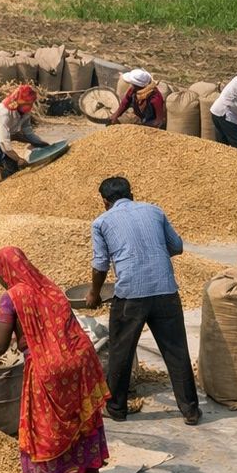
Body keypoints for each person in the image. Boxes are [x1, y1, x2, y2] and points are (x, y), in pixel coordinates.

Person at [0, 246, 110, 473]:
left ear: (6, 272)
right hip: (79, 359)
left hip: (48, 368)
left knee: (44, 427)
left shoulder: (12, 297)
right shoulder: (49, 287)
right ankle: (90, 472)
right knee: (78, 414)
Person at [86, 177, 201, 426]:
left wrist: (94, 294)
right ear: (132, 193)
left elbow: (100, 265)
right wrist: (152, 250)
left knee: (121, 350)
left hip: (130, 296)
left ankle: (116, 408)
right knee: (176, 350)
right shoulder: (154, 210)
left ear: (105, 201)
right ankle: (190, 410)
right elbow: (177, 247)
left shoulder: (102, 222)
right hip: (165, 291)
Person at [0, 85, 49, 190]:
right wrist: (18, 159)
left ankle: (0, 181)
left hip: (3, 132)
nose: (30, 106)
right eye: (28, 103)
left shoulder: (25, 111)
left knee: (11, 165)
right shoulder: (5, 113)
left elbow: (28, 131)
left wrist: (40, 143)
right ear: (19, 101)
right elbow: (4, 142)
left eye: (31, 103)